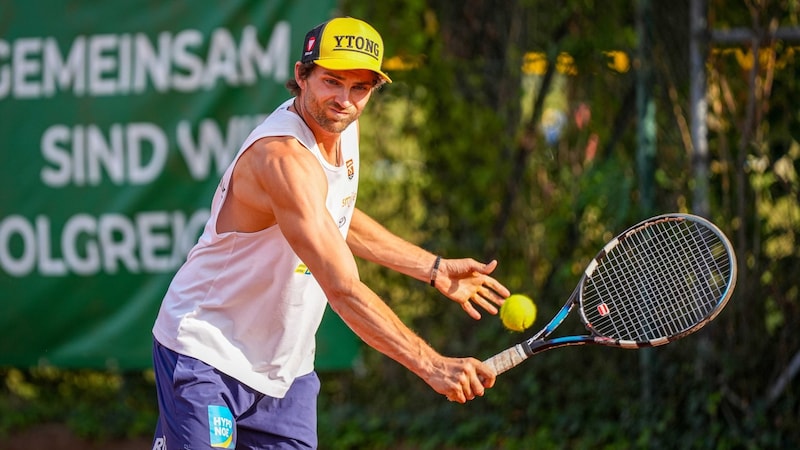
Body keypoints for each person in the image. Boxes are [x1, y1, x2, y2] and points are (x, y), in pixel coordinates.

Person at [151, 16, 510, 450]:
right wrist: (431, 365)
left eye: (360, 88)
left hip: (286, 370)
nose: (344, 99)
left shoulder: (342, 124)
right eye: (332, 81)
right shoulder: (282, 160)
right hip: (207, 352)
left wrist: (432, 268)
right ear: (302, 76)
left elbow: (336, 215)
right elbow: (342, 289)